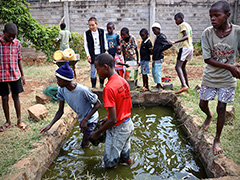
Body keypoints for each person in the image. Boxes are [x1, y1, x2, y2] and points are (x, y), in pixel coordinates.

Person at [199, 0, 240, 156]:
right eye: (211, 16)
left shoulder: (237, 32)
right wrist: (229, 67)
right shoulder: (207, 33)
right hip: (211, 75)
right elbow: (207, 59)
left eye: (217, 15)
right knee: (203, 103)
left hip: (228, 79)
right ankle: (209, 115)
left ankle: (217, 140)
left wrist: (235, 69)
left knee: (222, 107)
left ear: (228, 15)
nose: (213, 19)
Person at [40, 61, 101, 148]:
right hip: (82, 118)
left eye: (59, 80)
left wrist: (85, 120)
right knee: (89, 138)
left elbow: (98, 104)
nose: (57, 82)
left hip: (91, 118)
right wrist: (50, 125)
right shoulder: (62, 90)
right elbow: (60, 111)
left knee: (85, 144)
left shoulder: (83, 90)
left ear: (66, 80)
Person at [90, 53, 134, 168]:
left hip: (118, 129)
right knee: (125, 158)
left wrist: (96, 133)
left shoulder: (108, 88)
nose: (97, 72)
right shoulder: (122, 81)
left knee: (110, 163)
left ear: (105, 67)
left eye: (98, 69)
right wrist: (107, 118)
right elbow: (125, 106)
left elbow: (113, 120)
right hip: (128, 124)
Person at [0, 22, 30, 132]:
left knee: (16, 97)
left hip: (14, 75)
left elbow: (19, 59)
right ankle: (8, 121)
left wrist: (22, 75)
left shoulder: (17, 43)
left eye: (14, 36)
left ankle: (19, 120)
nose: (12, 38)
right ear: (4, 33)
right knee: (4, 98)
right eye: (9, 36)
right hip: (1, 75)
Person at [170, 12, 193, 94]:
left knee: (177, 67)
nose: (175, 21)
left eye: (176, 19)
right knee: (183, 67)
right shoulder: (188, 25)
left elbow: (186, 36)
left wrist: (174, 41)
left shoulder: (182, 25)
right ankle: (187, 84)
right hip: (190, 47)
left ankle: (183, 85)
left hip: (184, 47)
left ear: (181, 18)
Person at [84, 17, 108, 89]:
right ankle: (93, 86)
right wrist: (88, 55)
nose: (91, 27)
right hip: (92, 54)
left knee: (101, 70)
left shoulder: (101, 32)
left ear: (96, 24)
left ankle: (101, 85)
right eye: (89, 25)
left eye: (92, 25)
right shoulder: (87, 33)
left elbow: (104, 41)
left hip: (101, 53)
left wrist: (106, 50)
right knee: (93, 70)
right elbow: (86, 45)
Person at [151, 23, 172, 93]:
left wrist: (161, 49)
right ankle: (157, 84)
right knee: (154, 72)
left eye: (155, 30)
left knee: (157, 72)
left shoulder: (161, 37)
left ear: (159, 29)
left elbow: (169, 44)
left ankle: (159, 86)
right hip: (155, 57)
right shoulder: (158, 36)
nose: (154, 32)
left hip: (158, 57)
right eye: (153, 30)